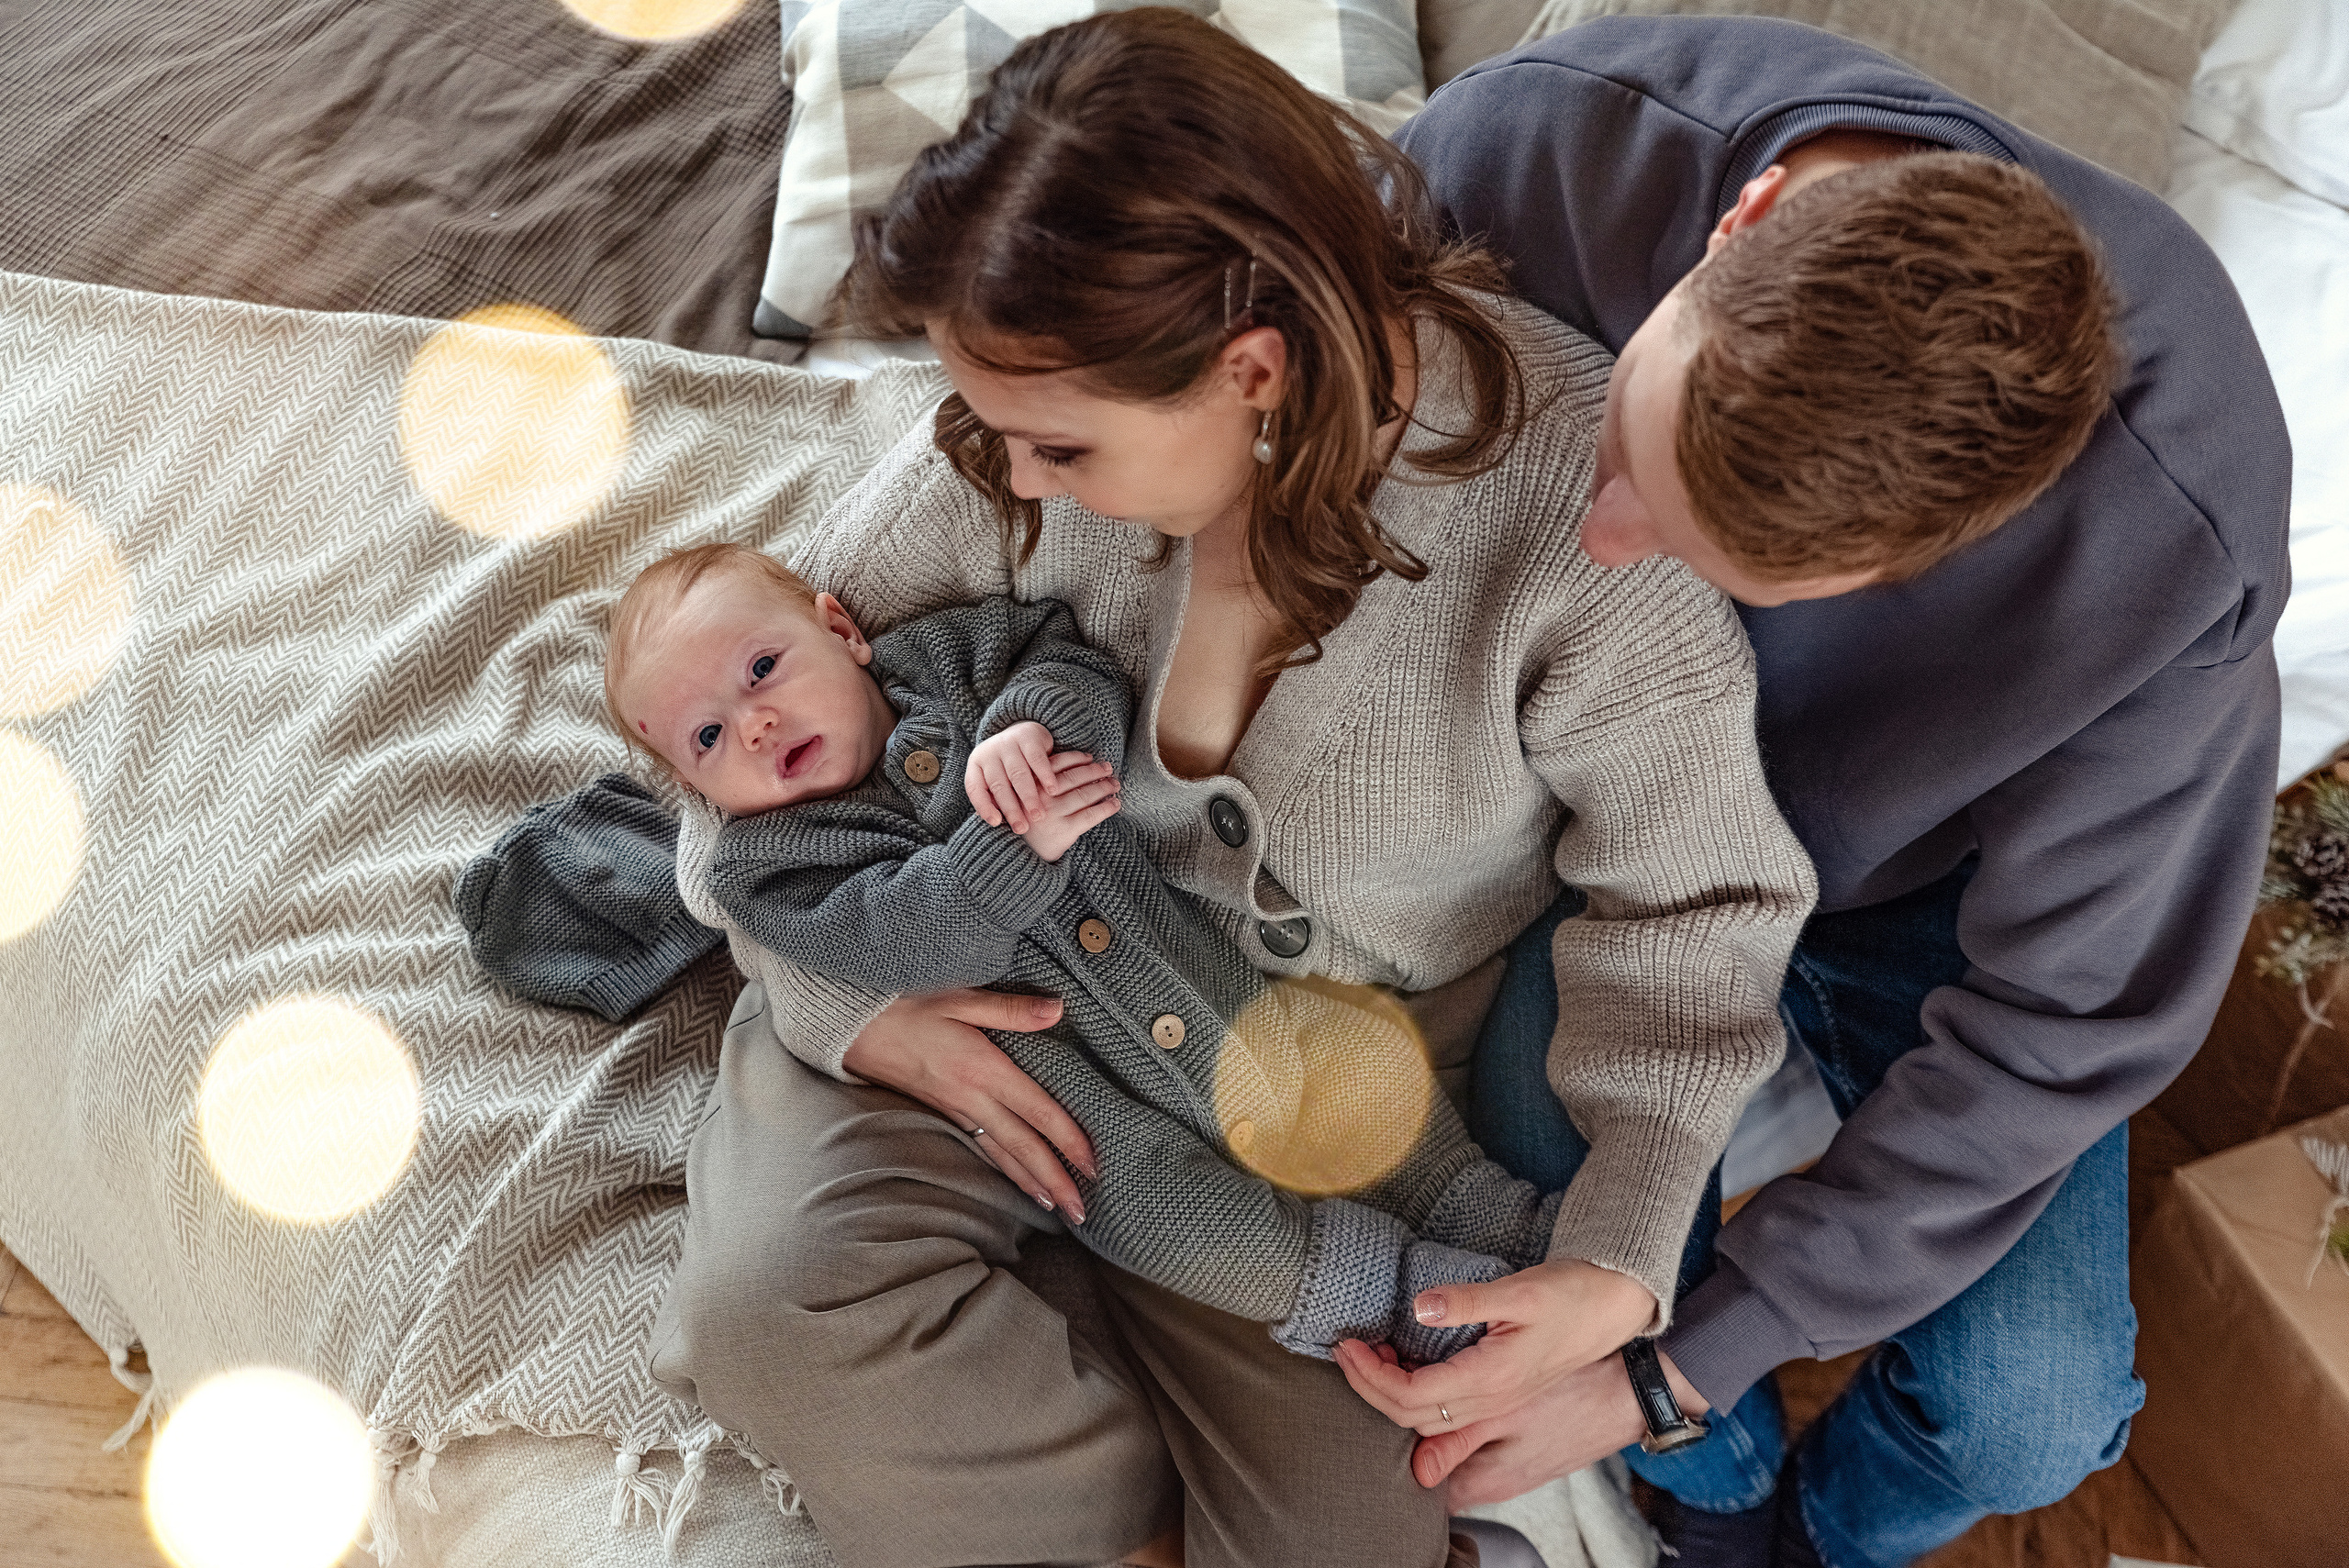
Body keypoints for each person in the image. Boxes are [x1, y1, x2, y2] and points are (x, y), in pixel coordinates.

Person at [640, 10, 1816, 1567]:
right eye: (1000, 437)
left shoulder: (1569, 531)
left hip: (1318, 1091)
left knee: (1355, 1531)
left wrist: (1619, 1254)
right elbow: (724, 734)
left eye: (1064, 445)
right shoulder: (1003, 442)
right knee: (770, 1315)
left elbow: (1702, 906)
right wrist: (851, 1003)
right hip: (971, 971)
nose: (1016, 480)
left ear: (1248, 371)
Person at [1366, 17, 2290, 1568]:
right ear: (1746, 222)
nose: (1602, 533)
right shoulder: (1536, 139)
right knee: (1533, 1155)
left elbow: (2059, 1033)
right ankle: (1706, 1498)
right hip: (1595, 810)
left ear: (1945, 550)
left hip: (1909, 889)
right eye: (1632, 443)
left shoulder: (2176, 545)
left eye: (1693, 540)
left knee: (2029, 1415)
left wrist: (1668, 1365)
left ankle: (1819, 1535)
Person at [596, 543, 1564, 1362]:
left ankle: (1486, 1210)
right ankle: (1399, 1295)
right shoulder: (772, 869)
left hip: (1225, 993)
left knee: (1351, 1077)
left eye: (762, 668)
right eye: (710, 735)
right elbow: (911, 936)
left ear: (842, 631)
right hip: (1095, 1123)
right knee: (1177, 1223)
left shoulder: (947, 662)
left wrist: (1031, 729)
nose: (756, 722)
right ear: (700, 792)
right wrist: (1014, 838)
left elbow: (1070, 666)